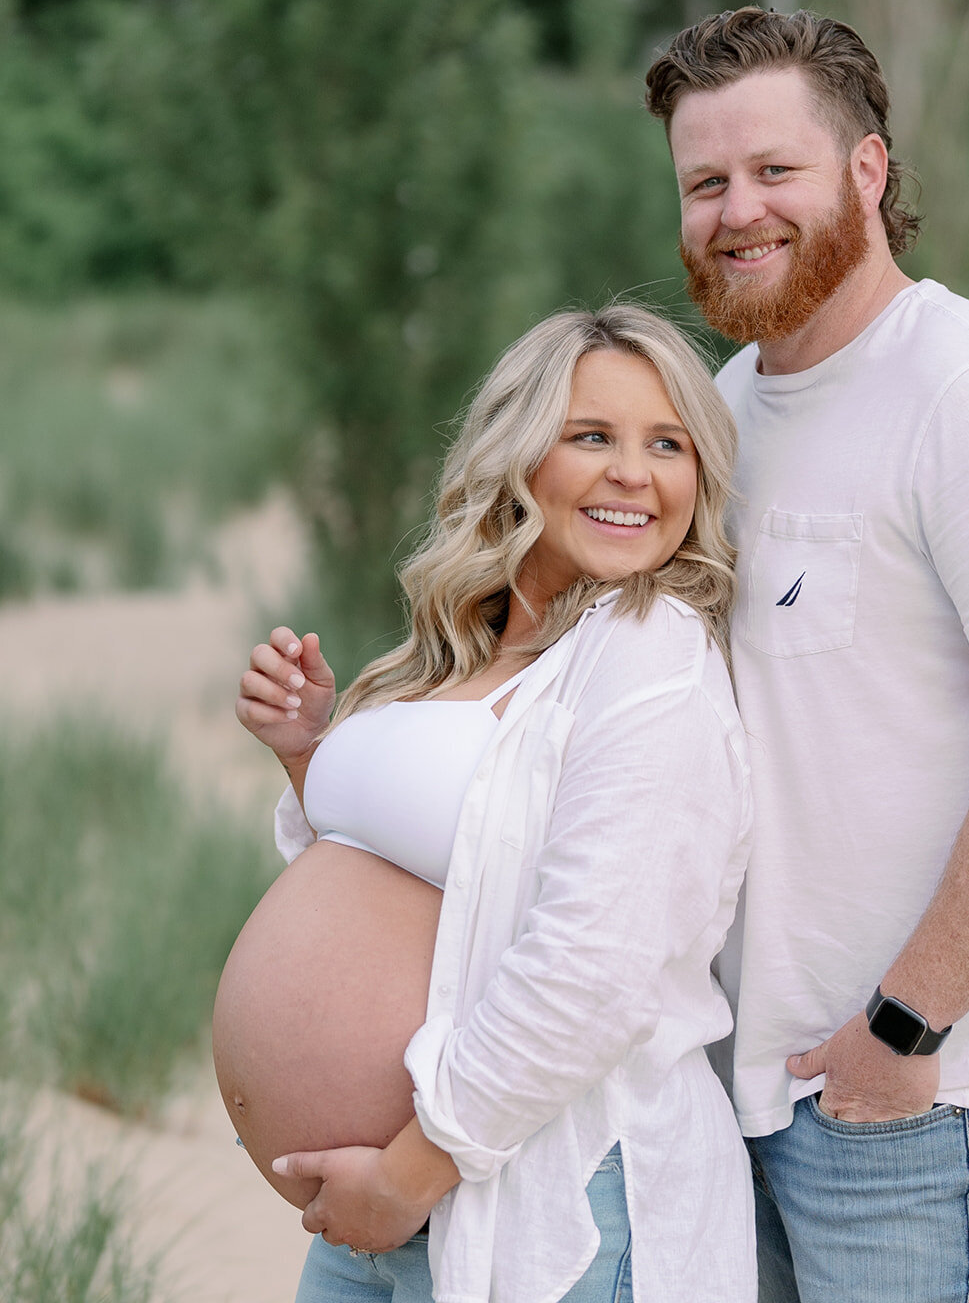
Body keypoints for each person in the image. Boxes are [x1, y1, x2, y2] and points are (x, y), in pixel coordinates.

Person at [644, 6, 969, 1302]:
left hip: (918, 1104)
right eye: (703, 182)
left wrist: (902, 1027)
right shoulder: (724, 406)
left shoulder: (966, 392)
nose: (736, 210)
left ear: (865, 172)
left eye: (774, 171)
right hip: (748, 1097)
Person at [232, 305, 757, 1303]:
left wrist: (405, 1174)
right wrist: (310, 756)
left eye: (667, 445)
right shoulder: (468, 649)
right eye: (592, 435)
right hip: (382, 1209)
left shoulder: (649, 653)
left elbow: (594, 966)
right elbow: (421, 890)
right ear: (518, 454)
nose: (633, 473)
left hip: (538, 1205)